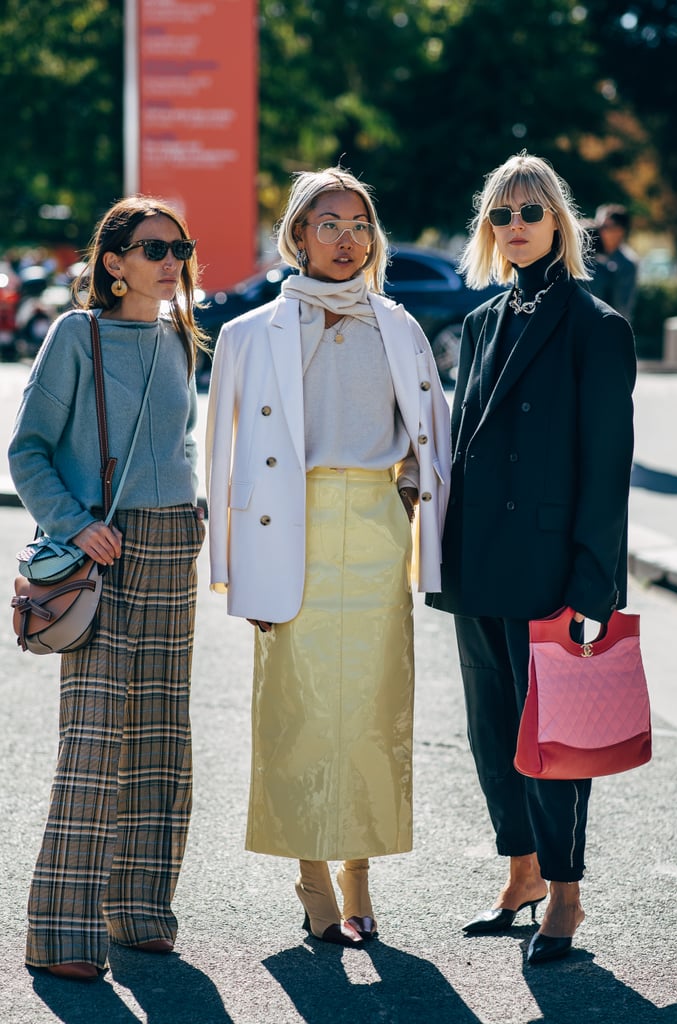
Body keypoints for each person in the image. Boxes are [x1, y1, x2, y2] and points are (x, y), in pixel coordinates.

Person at [206, 167, 451, 947]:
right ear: (297, 237)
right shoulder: (248, 333)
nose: (346, 240)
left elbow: (430, 436)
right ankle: (310, 873)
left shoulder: (399, 326)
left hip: (376, 532)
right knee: (297, 707)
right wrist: (233, 567)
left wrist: (404, 499)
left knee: (375, 710)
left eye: (358, 225)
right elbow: (223, 457)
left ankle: (359, 875)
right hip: (288, 532)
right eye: (327, 224)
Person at [428, 154, 636, 964]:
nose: (514, 224)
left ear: (558, 221)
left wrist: (593, 582)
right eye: (500, 214)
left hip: (550, 565)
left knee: (553, 737)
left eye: (529, 210)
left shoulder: (596, 326)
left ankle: (565, 895)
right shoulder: (480, 323)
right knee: (490, 729)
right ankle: (516, 872)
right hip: (477, 561)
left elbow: (605, 468)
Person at [8, 196, 207, 981]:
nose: (171, 261)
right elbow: (27, 451)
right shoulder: (75, 335)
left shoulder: (179, 339)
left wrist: (193, 514)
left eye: (179, 248)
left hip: (170, 549)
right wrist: (72, 522)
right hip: (102, 552)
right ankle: (59, 933)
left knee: (162, 738)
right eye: (154, 248)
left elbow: (178, 445)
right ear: (112, 261)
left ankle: (140, 912)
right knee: (93, 744)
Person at [589, 203, 639, 320]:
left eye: (605, 227)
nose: (599, 231)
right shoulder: (589, 255)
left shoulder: (627, 263)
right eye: (598, 226)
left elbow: (622, 307)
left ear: (620, 231)